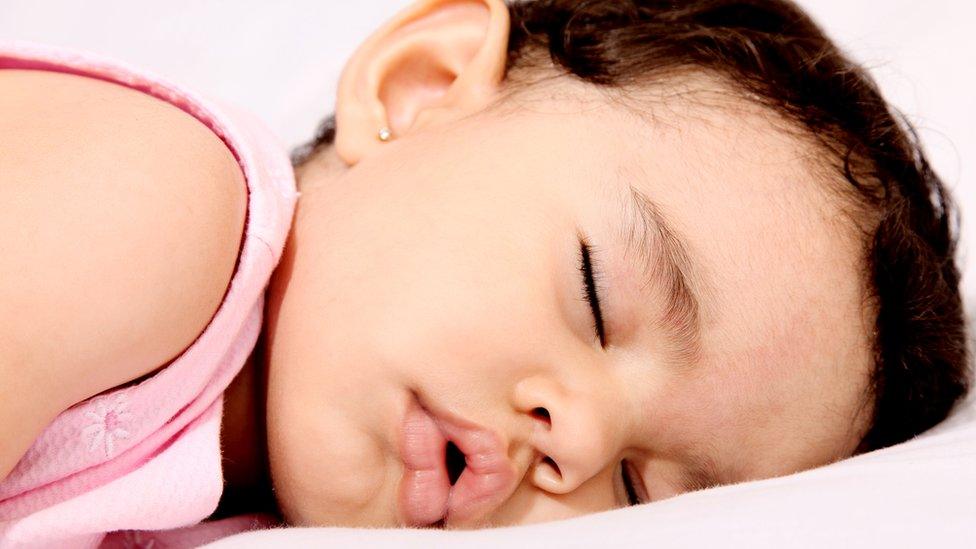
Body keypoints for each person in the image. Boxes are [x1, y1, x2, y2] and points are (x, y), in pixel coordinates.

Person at [0, 0, 970, 544]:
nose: (575, 439)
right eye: (595, 295)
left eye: (636, 490)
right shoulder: (160, 198)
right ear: (417, 89)